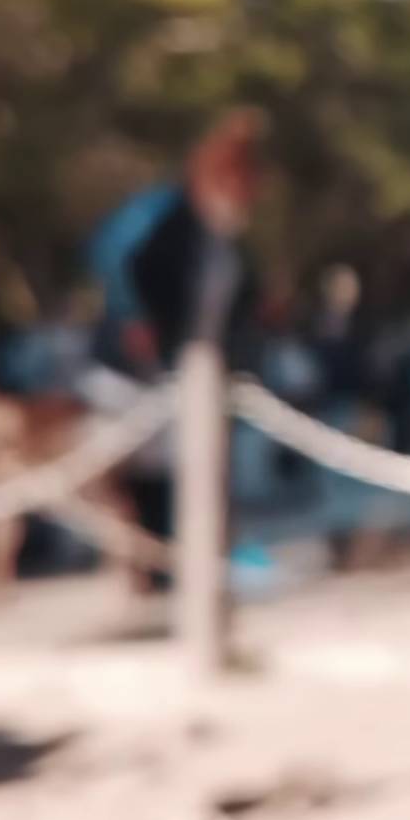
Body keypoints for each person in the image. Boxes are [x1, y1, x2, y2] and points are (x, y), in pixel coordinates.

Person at [88, 111, 265, 583]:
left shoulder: (226, 240)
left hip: (191, 373)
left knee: (192, 472)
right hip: (134, 373)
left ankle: (185, 574)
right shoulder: (165, 215)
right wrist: (134, 317)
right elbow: (115, 258)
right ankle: (151, 574)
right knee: (145, 477)